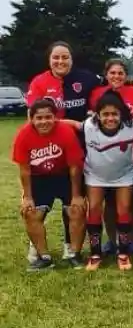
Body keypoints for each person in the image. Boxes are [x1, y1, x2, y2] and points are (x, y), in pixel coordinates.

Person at [25, 41, 99, 260]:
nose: (60, 61)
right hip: (46, 149)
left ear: (72, 59)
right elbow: (34, 116)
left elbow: (107, 91)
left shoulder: (86, 79)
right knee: (38, 203)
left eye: (65, 57)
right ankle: (35, 244)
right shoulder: (39, 82)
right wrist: (70, 123)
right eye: (56, 57)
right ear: (49, 60)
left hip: (77, 150)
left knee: (73, 201)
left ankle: (70, 244)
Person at [65, 92, 133, 271]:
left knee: (123, 210)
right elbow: (72, 124)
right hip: (95, 175)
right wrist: (49, 121)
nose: (110, 118)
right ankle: (95, 254)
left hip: (124, 174)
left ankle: (123, 253)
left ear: (122, 113)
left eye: (114, 114)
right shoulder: (89, 126)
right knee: (95, 209)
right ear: (97, 115)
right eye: (105, 114)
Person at [12, 99, 86, 271]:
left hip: (64, 176)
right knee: (30, 213)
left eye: (48, 117)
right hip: (39, 178)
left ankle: (74, 254)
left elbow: (75, 167)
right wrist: (28, 197)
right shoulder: (24, 135)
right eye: (39, 118)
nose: (44, 121)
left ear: (55, 117)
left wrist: (76, 196)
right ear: (31, 119)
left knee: (77, 209)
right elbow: (24, 170)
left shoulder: (65, 132)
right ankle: (44, 257)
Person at [89, 58, 133, 256]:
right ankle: (112, 240)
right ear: (106, 75)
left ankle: (131, 239)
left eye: (120, 73)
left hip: (132, 154)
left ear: (127, 76)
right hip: (104, 155)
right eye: (112, 73)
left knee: (130, 202)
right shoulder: (97, 94)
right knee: (109, 203)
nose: (116, 76)